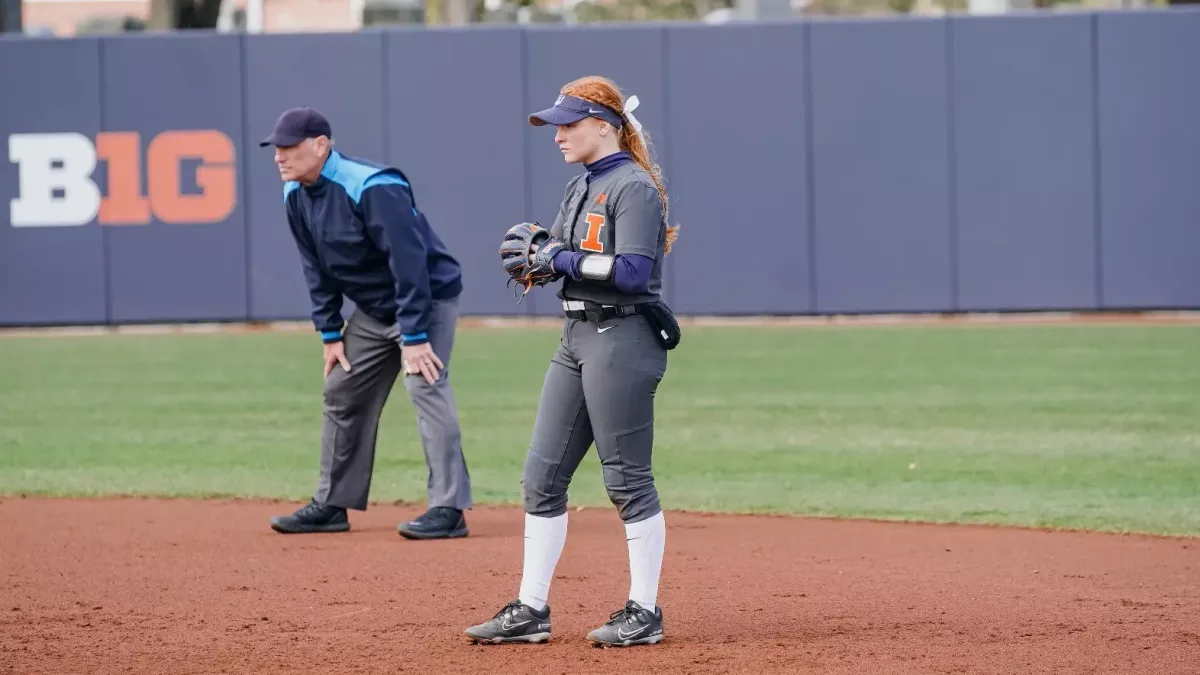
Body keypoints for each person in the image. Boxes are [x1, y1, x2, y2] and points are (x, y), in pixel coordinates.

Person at [465, 76, 682, 647]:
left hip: (623, 338)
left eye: (569, 123)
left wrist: (558, 257)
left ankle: (645, 610)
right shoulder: (580, 186)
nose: (558, 134)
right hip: (575, 338)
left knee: (627, 478)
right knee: (541, 476)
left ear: (603, 126)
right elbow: (560, 257)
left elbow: (634, 272)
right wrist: (540, 262)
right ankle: (531, 609)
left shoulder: (633, 187)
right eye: (556, 124)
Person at [259, 106, 473, 541]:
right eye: (275, 149)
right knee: (342, 388)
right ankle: (331, 504)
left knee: (424, 385)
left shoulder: (373, 186)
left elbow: (409, 262)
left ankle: (448, 509)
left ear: (321, 146)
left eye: (289, 148)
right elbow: (314, 266)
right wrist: (330, 331)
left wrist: (414, 335)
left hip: (425, 300)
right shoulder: (294, 193)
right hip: (374, 312)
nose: (279, 157)